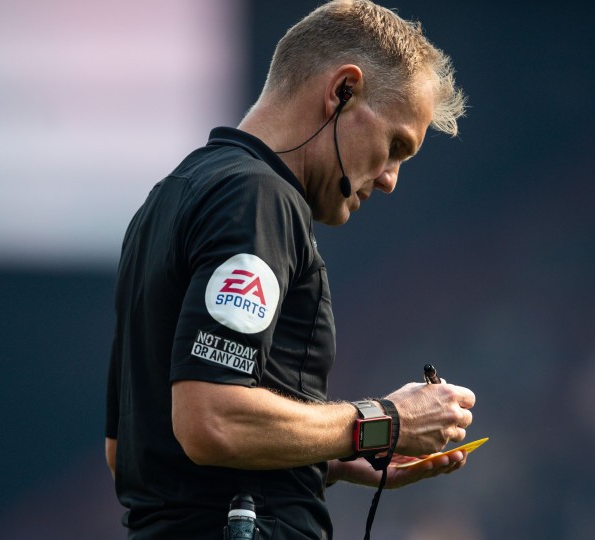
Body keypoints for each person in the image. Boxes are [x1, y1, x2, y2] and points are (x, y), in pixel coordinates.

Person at [104, 1, 475, 538]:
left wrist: (323, 458)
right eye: (395, 145)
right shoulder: (257, 197)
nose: (391, 178)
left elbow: (131, 452)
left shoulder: (164, 203)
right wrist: (383, 424)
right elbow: (210, 420)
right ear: (342, 90)